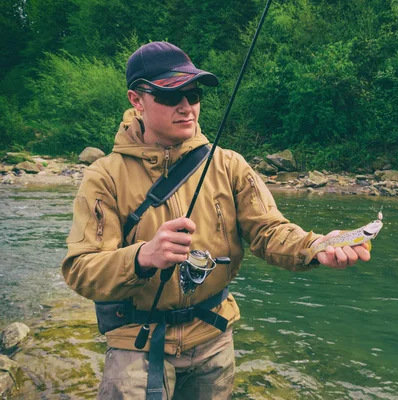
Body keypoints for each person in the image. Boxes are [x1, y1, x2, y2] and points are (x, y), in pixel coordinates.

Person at [61, 41, 371, 400]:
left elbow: (270, 232)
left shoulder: (229, 165)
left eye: (192, 94)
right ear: (136, 100)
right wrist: (143, 256)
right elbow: (81, 270)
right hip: (137, 342)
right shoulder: (104, 177)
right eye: (169, 95)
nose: (186, 107)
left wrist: (314, 246)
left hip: (214, 339)